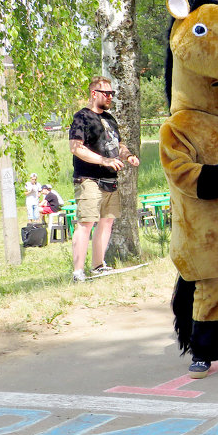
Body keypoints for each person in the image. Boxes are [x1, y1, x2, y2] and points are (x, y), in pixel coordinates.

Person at [69, 76, 140, 282]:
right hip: (88, 178)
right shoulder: (81, 117)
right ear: (94, 94)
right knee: (86, 222)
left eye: (112, 94)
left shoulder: (110, 119)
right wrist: (104, 161)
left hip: (110, 180)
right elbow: (76, 148)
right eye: (106, 93)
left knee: (107, 222)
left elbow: (118, 145)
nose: (110, 97)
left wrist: (128, 156)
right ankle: (78, 272)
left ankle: (98, 266)